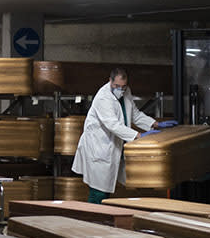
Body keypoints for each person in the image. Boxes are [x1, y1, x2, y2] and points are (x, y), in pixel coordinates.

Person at [71, 68, 175, 203]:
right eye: (117, 86)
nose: (120, 89)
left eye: (123, 86)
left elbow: (134, 114)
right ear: (110, 81)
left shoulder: (126, 92)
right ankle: (92, 218)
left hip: (114, 145)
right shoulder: (103, 97)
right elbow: (113, 125)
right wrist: (138, 135)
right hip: (99, 147)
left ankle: (102, 217)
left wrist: (155, 124)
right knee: (99, 190)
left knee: (111, 187)